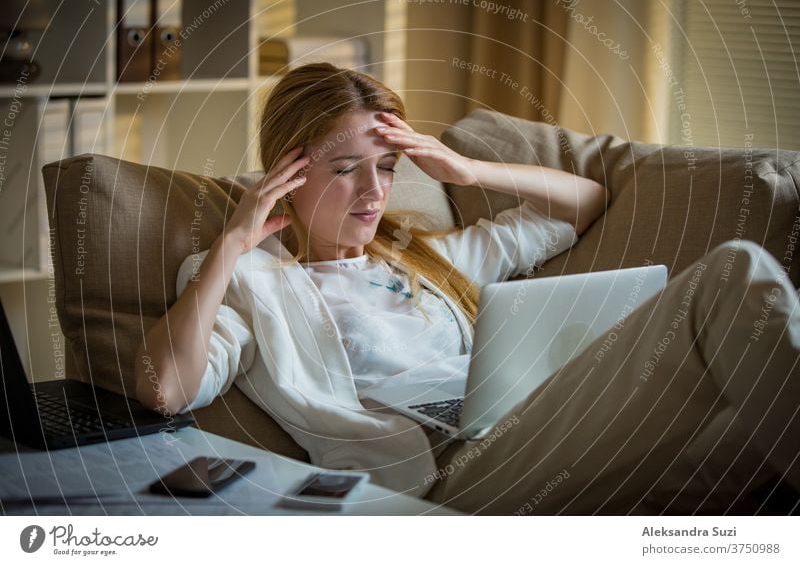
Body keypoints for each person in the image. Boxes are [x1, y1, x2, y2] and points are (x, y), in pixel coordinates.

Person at [135, 62, 800, 515]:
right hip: (447, 475)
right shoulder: (253, 282)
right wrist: (231, 244)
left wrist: (465, 167)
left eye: (388, 168)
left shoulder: (427, 256)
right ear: (286, 173)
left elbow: (582, 203)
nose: (374, 194)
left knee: (737, 441)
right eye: (346, 170)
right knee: (731, 275)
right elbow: (165, 387)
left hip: (526, 423)